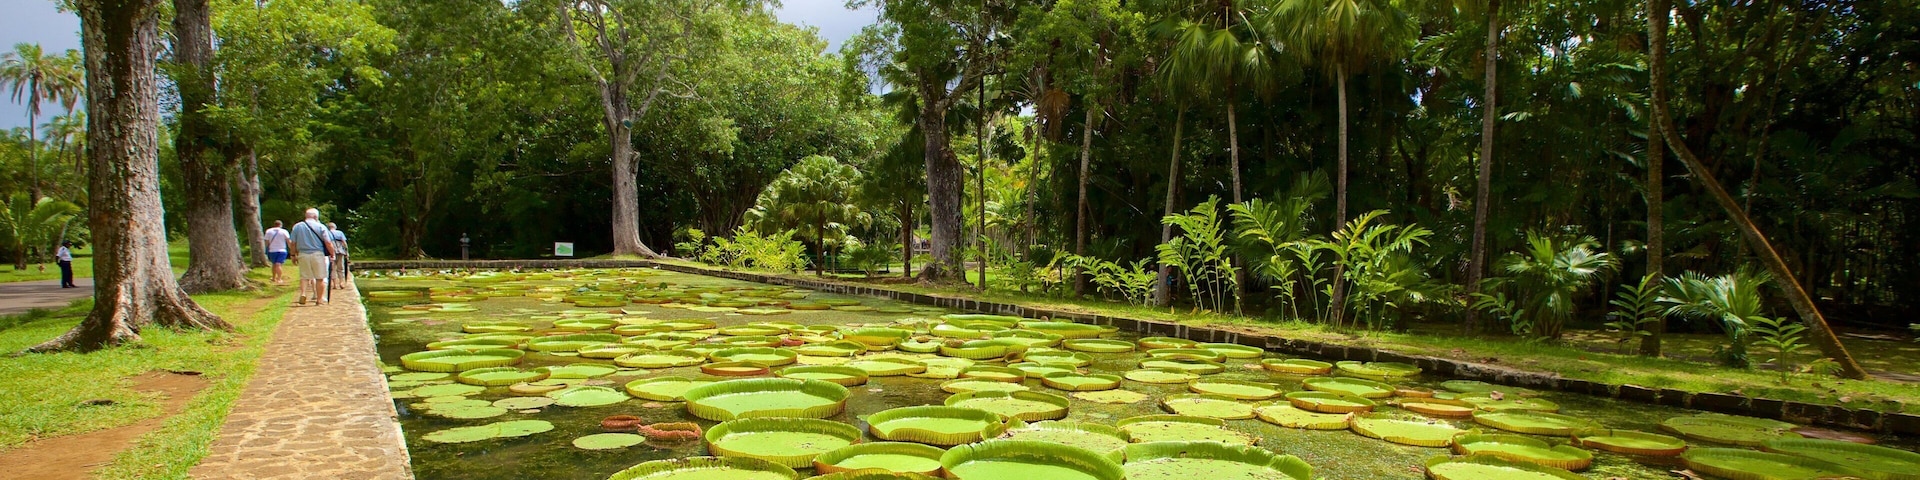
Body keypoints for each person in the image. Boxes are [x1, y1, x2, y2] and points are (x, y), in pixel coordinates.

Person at [289, 208, 333, 305]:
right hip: (317, 254)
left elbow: (293, 243)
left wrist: (292, 255)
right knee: (320, 277)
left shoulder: (297, 227)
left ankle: (303, 293)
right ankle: (319, 299)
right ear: (316, 216)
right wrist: (332, 254)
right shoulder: (321, 226)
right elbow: (328, 243)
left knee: (304, 276)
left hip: (303, 254)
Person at [264, 220, 291, 285]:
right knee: (278, 264)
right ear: (281, 225)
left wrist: (266, 248)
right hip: (282, 250)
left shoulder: (268, 231)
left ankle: (273, 277)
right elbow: (288, 241)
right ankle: (279, 278)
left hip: (272, 250)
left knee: (274, 264)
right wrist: (291, 248)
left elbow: (266, 242)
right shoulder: (284, 231)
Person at [327, 222, 349, 290]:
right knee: (340, 268)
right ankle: (341, 282)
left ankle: (334, 284)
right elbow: (344, 243)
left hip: (331, 252)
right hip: (340, 252)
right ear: (335, 227)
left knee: (332, 268)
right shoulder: (340, 233)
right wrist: (347, 252)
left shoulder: (327, 233)